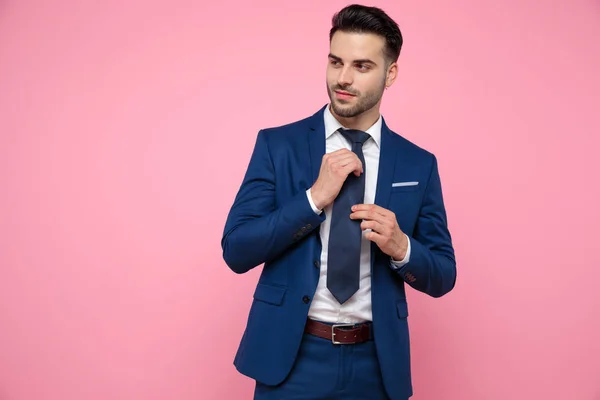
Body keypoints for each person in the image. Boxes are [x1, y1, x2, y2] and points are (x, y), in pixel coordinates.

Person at [221, 4, 456, 399]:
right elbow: (236, 250)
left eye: (362, 66)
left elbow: (443, 276)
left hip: (377, 365)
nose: (343, 79)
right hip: (291, 360)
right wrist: (313, 199)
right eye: (335, 62)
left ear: (390, 73)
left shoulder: (419, 163)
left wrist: (401, 247)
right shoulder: (278, 146)